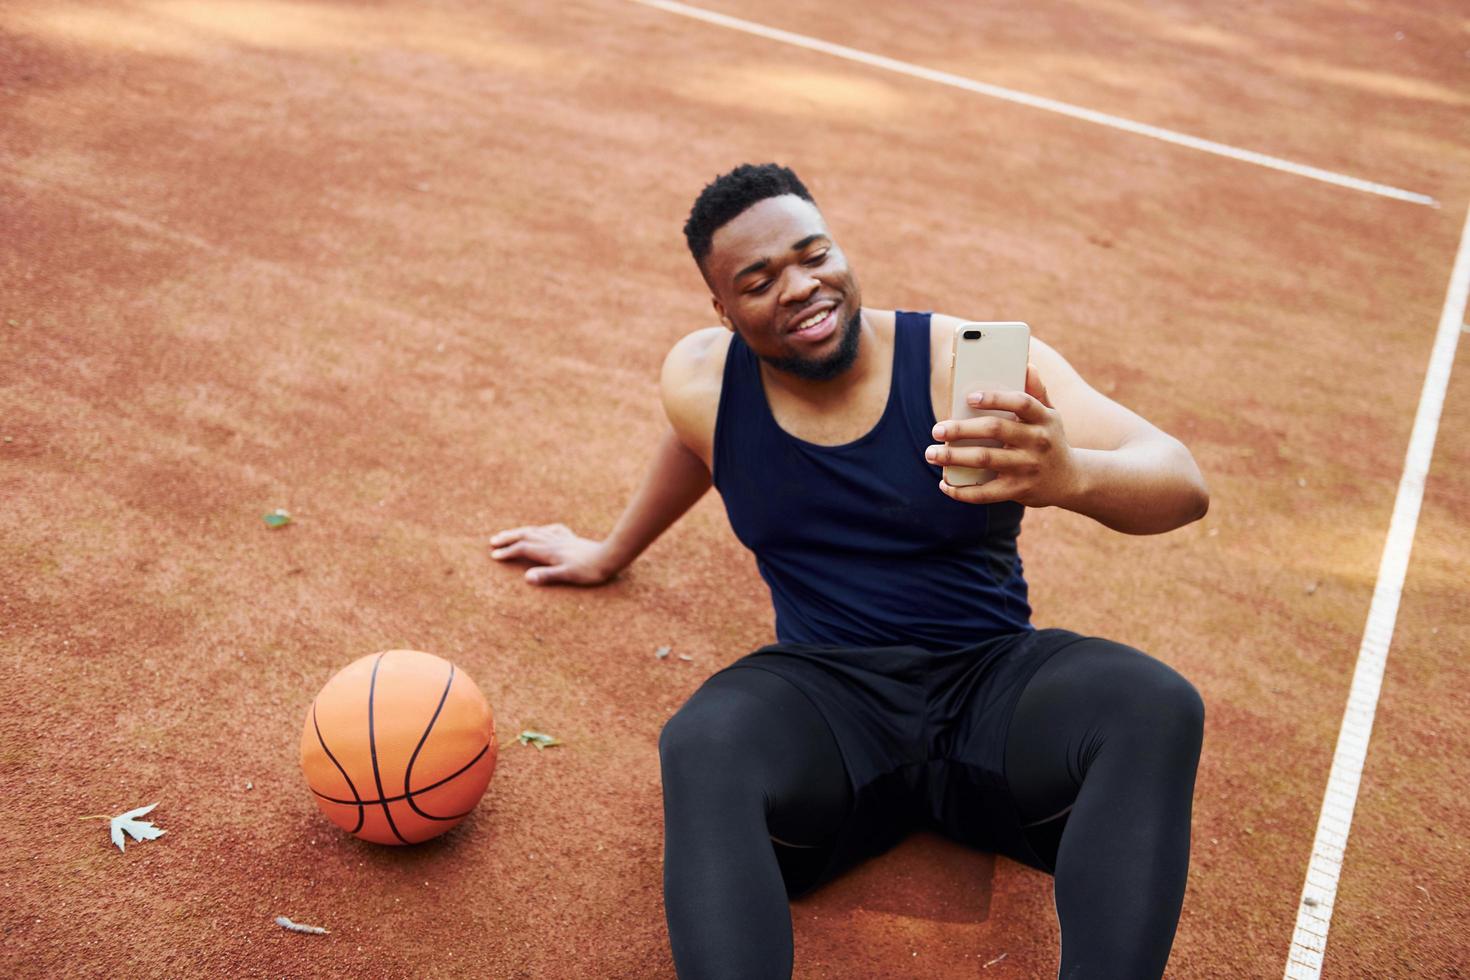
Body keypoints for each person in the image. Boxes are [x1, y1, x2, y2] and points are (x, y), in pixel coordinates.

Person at [490, 163, 1209, 980]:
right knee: (702, 744)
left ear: (840, 251)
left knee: (1154, 704)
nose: (798, 287)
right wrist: (609, 551)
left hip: (990, 679)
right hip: (825, 699)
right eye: (758, 281)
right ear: (722, 311)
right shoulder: (701, 381)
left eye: (814, 254)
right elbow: (702, 441)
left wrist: (1071, 475)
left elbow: (1181, 481)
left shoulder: (955, 365)